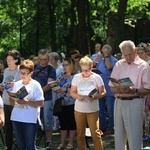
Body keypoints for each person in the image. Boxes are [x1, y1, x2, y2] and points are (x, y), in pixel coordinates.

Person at [109, 40, 150, 150]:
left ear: (135, 51)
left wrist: (133, 90)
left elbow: (148, 89)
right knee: (119, 138)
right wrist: (118, 88)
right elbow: (111, 86)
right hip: (119, 101)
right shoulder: (119, 64)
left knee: (134, 138)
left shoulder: (143, 66)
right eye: (125, 55)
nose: (128, 57)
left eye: (130, 54)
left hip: (135, 101)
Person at [70, 56, 106, 150]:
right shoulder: (76, 77)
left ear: (91, 67)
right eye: (83, 70)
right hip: (79, 109)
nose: (85, 73)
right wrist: (78, 96)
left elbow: (103, 92)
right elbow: (72, 91)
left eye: (87, 70)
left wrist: (95, 97)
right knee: (80, 133)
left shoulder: (97, 77)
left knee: (95, 133)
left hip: (92, 109)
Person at [9, 59, 44, 149]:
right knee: (20, 145)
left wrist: (27, 102)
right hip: (17, 117)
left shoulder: (36, 85)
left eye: (26, 73)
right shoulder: (17, 84)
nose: (23, 75)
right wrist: (12, 99)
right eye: (22, 73)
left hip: (30, 119)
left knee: (30, 145)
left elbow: (41, 102)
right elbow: (12, 102)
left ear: (31, 73)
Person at [32, 49, 56, 149]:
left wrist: (37, 93)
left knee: (47, 120)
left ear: (49, 58)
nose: (44, 62)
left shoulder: (51, 69)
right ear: (38, 58)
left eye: (46, 59)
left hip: (46, 99)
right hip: (34, 99)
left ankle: (48, 142)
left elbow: (49, 85)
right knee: (34, 119)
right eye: (41, 59)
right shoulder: (34, 67)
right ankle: (34, 141)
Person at [0, 50, 21, 150]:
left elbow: (21, 86)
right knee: (7, 128)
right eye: (7, 59)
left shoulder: (20, 71)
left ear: (16, 60)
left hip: (15, 103)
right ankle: (8, 147)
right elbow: (4, 81)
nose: (8, 62)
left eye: (10, 60)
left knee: (17, 127)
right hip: (5, 101)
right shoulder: (6, 70)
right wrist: (2, 86)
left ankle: (20, 146)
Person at [55, 58, 76, 150]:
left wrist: (66, 89)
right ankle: (62, 143)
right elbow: (56, 85)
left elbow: (77, 90)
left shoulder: (75, 76)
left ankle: (70, 142)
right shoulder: (61, 76)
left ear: (71, 65)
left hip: (72, 103)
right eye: (63, 65)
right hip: (61, 102)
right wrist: (56, 89)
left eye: (66, 65)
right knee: (62, 124)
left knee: (71, 123)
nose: (64, 67)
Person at [96, 44, 118, 134]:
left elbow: (109, 67)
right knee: (101, 109)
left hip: (110, 89)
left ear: (109, 51)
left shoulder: (114, 60)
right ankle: (102, 126)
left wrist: (107, 56)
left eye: (106, 49)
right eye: (103, 50)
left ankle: (111, 126)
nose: (104, 51)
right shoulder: (101, 60)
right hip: (101, 88)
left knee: (110, 109)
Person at [49, 52, 63, 131]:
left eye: (51, 59)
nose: (50, 61)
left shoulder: (60, 69)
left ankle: (57, 124)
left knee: (56, 106)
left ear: (56, 60)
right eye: (49, 59)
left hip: (58, 91)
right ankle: (53, 124)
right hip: (51, 90)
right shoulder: (50, 68)